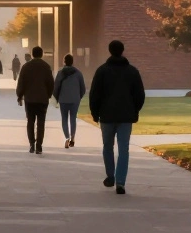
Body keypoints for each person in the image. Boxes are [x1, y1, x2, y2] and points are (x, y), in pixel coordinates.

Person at [88, 40, 146, 195]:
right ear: (122, 51)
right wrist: (135, 110)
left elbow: (94, 94)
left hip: (107, 115)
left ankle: (110, 175)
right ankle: (121, 182)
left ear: (109, 51)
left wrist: (95, 112)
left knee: (107, 146)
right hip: (126, 116)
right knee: (124, 149)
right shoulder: (132, 71)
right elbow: (140, 94)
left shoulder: (102, 71)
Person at [15, 46, 54, 154]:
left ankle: (32, 144)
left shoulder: (26, 67)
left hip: (30, 98)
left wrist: (20, 95)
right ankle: (39, 145)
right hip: (42, 99)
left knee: (30, 122)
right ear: (41, 54)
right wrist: (49, 94)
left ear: (32, 54)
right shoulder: (46, 67)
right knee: (41, 123)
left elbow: (21, 82)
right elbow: (51, 83)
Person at [53, 53, 87, 148]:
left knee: (64, 119)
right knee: (73, 118)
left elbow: (56, 87)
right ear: (72, 62)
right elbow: (83, 88)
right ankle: (73, 138)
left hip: (63, 99)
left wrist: (56, 98)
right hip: (75, 100)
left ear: (64, 61)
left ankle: (66, 138)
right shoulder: (78, 73)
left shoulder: (60, 73)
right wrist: (78, 97)